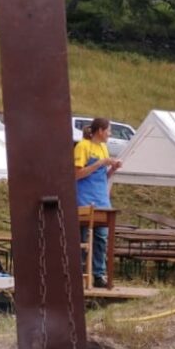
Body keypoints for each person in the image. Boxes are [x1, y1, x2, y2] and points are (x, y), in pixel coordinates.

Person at [74, 117, 122, 288]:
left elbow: (102, 177)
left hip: (102, 199)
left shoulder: (103, 148)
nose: (110, 134)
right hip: (85, 198)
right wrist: (101, 163)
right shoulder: (82, 146)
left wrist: (112, 169)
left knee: (102, 237)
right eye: (108, 130)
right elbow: (77, 174)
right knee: (83, 236)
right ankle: (78, 274)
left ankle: (99, 274)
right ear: (100, 131)